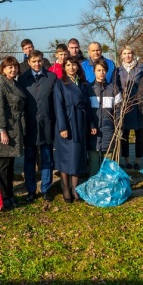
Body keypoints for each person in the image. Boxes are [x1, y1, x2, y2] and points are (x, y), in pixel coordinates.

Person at [54, 57, 97, 202]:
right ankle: (66, 188)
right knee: (66, 157)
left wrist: (91, 124)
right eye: (68, 65)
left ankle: (75, 188)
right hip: (67, 123)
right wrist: (62, 127)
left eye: (74, 64)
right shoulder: (60, 83)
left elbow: (88, 106)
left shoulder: (83, 84)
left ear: (78, 67)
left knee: (77, 156)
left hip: (80, 123)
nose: (71, 67)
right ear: (64, 68)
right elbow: (58, 106)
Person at [18, 50, 57, 202]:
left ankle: (46, 188)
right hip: (29, 124)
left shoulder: (51, 77)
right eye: (34, 61)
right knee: (30, 159)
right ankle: (31, 189)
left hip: (47, 123)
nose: (37, 64)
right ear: (29, 62)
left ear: (43, 61)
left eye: (39, 61)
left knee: (47, 158)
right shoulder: (22, 79)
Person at [0, 56, 26, 210]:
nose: (13, 69)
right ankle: (3, 196)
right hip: (5, 128)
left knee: (11, 163)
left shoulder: (15, 84)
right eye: (9, 67)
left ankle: (10, 194)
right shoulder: (0, 84)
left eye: (15, 67)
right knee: (4, 164)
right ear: (3, 69)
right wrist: (2, 131)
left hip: (16, 127)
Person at [87, 59, 121, 176]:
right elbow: (86, 111)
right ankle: (94, 188)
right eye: (99, 70)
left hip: (109, 131)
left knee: (109, 164)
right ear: (94, 71)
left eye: (103, 70)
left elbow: (118, 111)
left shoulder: (114, 89)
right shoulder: (88, 90)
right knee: (93, 164)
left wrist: (117, 127)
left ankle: (108, 188)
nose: (101, 73)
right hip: (93, 133)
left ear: (107, 72)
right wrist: (91, 124)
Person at [117, 46, 143, 169]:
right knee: (125, 134)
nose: (128, 56)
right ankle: (127, 159)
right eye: (125, 53)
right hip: (125, 105)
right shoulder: (118, 70)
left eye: (129, 53)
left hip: (138, 104)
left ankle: (138, 160)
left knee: (139, 134)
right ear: (121, 55)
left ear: (133, 54)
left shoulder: (141, 68)